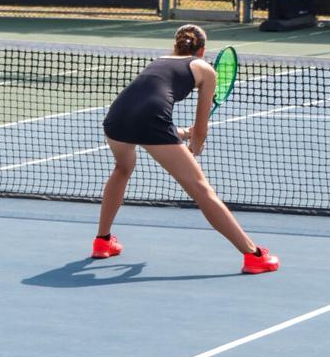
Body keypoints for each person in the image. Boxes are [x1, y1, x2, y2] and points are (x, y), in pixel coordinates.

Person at [93, 24, 279, 275]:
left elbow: (146, 108)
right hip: (151, 122)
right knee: (201, 190)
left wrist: (182, 134)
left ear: (176, 45)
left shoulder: (159, 60)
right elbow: (200, 129)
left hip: (116, 118)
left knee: (122, 168)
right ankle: (253, 255)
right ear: (202, 50)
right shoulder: (205, 69)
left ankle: (102, 241)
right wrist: (195, 144)